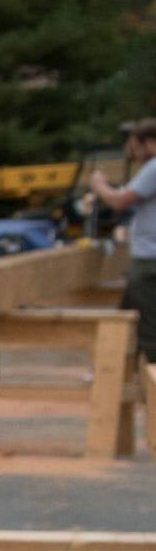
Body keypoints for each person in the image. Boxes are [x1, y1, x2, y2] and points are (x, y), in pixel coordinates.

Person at [88, 119, 156, 370]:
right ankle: (112, 376)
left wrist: (100, 185)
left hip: (149, 263)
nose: (134, 153)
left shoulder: (154, 168)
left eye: (137, 146)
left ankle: (149, 394)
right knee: (122, 323)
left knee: (148, 333)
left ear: (150, 143)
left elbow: (120, 201)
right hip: (147, 260)